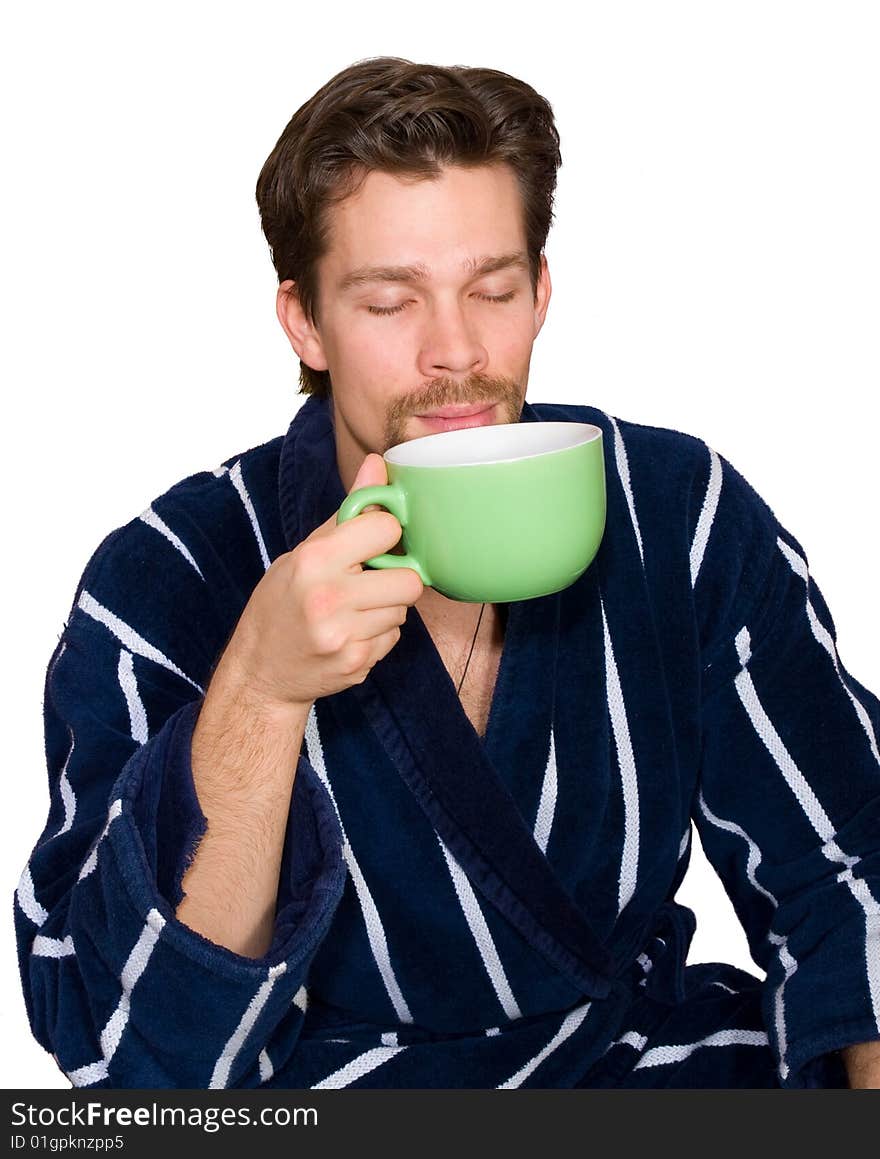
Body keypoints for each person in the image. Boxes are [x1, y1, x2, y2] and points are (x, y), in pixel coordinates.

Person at [14, 56, 880, 1090]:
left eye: (494, 288)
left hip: (645, 1071)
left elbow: (846, 876)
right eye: (389, 303)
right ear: (303, 320)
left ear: (541, 290)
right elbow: (138, 1061)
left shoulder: (675, 511)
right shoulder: (166, 577)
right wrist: (261, 686)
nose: (456, 350)